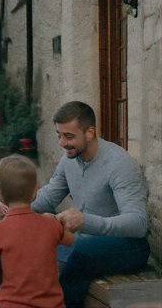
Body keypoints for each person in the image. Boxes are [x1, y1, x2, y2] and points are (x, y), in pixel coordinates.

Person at [31, 101, 150, 308]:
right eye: (59, 135)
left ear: (89, 132)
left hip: (127, 245)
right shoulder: (69, 159)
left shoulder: (119, 163)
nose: (62, 143)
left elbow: (139, 224)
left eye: (68, 136)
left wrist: (85, 221)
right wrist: (13, 211)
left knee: (83, 250)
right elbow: (49, 197)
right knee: (33, 243)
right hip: (82, 242)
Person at [0, 155, 74, 308]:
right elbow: (71, 241)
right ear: (35, 191)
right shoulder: (50, 224)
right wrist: (56, 222)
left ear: (0, 193)